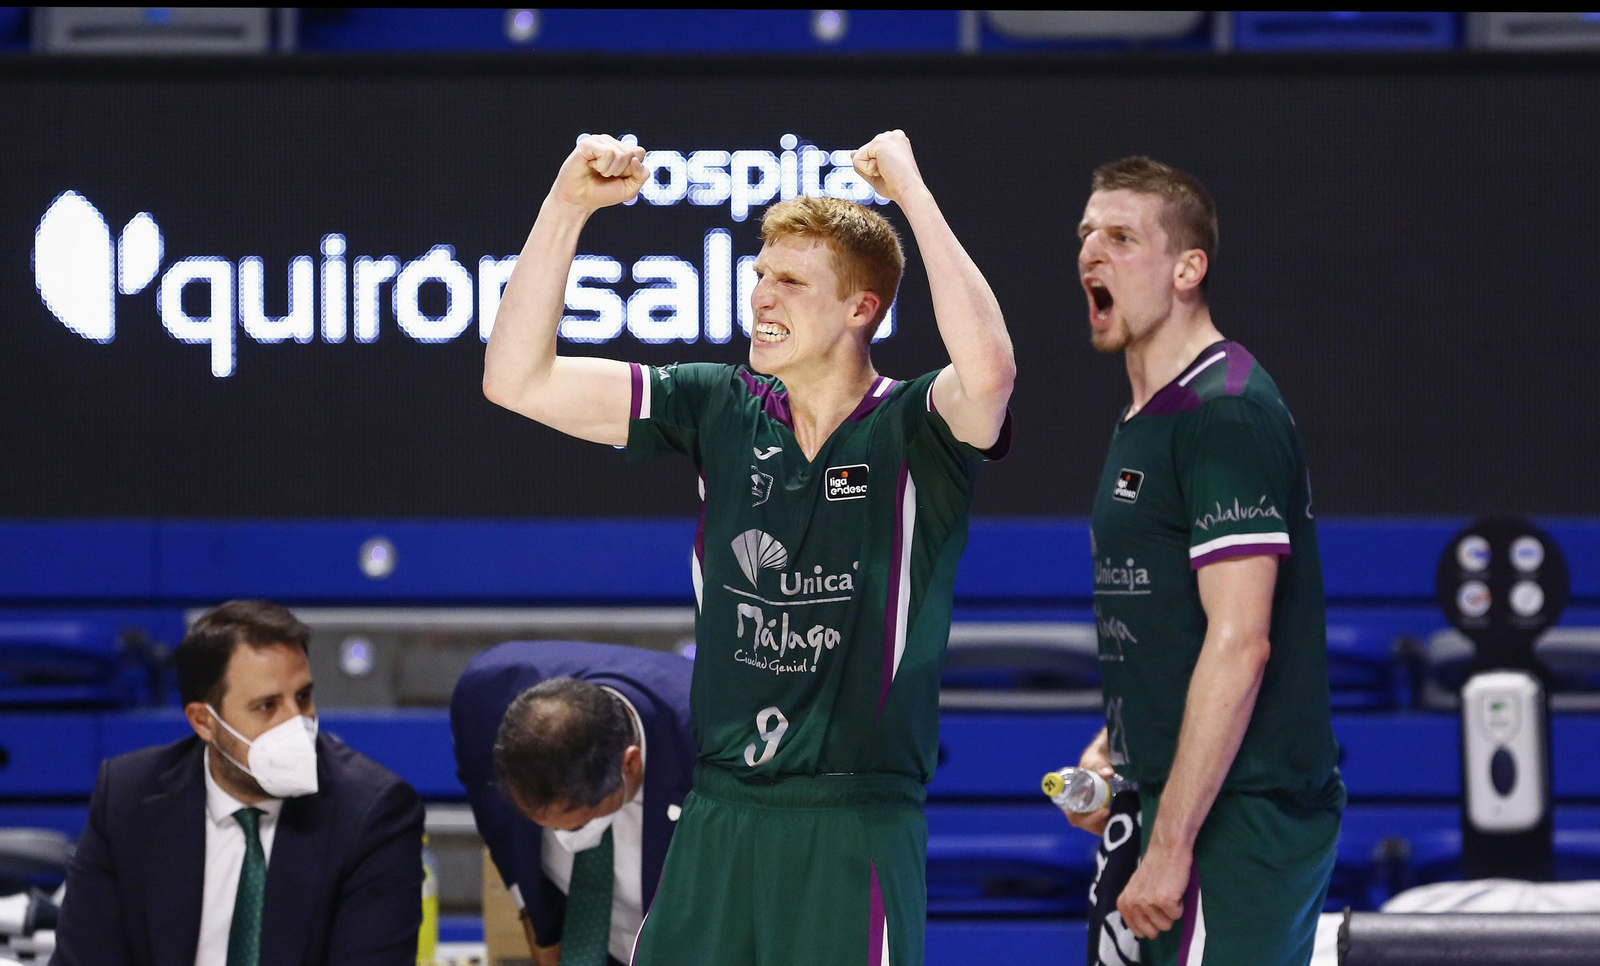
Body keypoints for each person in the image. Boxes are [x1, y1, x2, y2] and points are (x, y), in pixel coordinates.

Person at [482, 130, 1014, 966]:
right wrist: (566, 207)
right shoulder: (719, 405)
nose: (762, 295)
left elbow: (989, 374)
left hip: (853, 819)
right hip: (720, 806)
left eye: (792, 282)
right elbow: (517, 380)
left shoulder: (918, 426)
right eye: (760, 275)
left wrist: (912, 195)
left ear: (861, 309)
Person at [1064, 157, 1343, 966]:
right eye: (1086, 234)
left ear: (1188, 269)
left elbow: (1240, 641)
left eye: (1122, 237)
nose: (1092, 252)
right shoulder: (1150, 414)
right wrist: (1121, 747)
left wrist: (1171, 845)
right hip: (1176, 797)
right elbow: (1176, 629)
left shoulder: (1223, 412)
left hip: (1238, 815)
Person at [51, 600, 425, 966]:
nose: (296, 724)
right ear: (204, 722)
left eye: (303, 697)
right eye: (267, 706)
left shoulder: (372, 813)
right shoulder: (128, 798)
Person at [450, 641, 695, 966]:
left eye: (578, 824)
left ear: (630, 765)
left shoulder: (713, 743)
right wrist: (533, 915)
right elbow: (498, 818)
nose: (562, 840)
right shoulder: (487, 697)